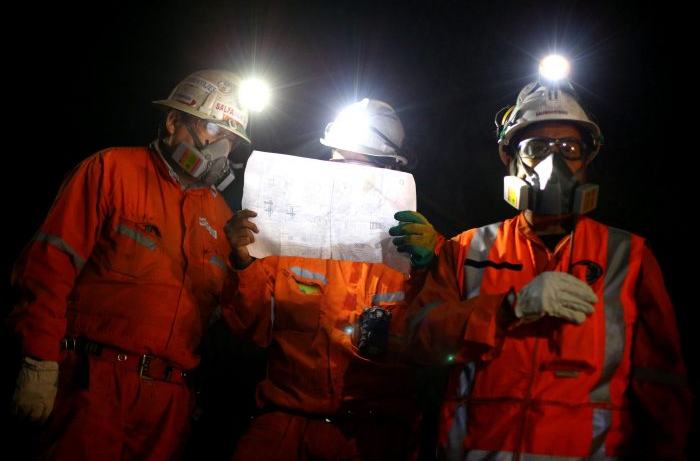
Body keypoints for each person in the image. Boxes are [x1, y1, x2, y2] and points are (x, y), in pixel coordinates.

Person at [391, 66, 692, 459]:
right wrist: (507, 309)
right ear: (509, 157)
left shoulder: (629, 257)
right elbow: (415, 338)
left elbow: (662, 387)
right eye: (536, 148)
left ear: (588, 159)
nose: (555, 164)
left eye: (570, 149)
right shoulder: (467, 248)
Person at [6, 69, 250, 460]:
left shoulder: (222, 219)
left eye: (232, 139)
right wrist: (38, 359)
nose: (221, 147)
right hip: (91, 384)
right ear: (174, 121)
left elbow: (225, 323)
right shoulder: (111, 171)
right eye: (211, 128)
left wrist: (242, 263)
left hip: (169, 402)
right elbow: (49, 266)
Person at [221, 98, 439, 460]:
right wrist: (243, 263)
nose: (342, 176)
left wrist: (428, 270)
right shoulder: (289, 243)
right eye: (336, 162)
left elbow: (436, 342)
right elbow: (254, 327)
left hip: (371, 436)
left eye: (359, 166)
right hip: (285, 422)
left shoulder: (418, 251)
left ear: (391, 171)